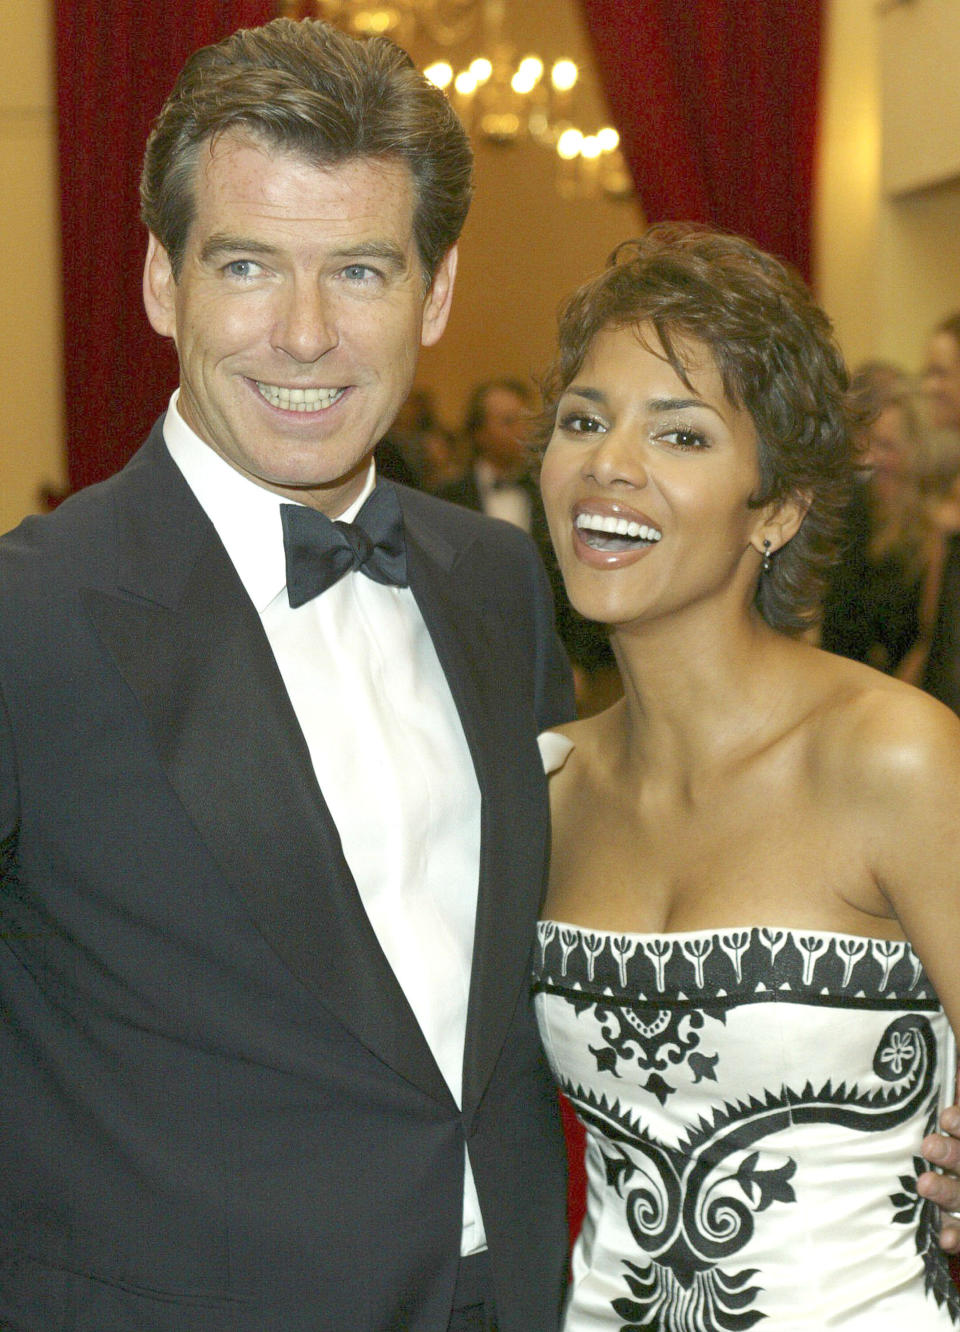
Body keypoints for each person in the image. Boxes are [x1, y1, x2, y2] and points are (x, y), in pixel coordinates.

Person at [0, 17, 574, 1332]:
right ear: (163, 283)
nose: (305, 334)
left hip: (519, 1295)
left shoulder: (495, 579)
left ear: (433, 294)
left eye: (361, 272)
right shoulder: (26, 619)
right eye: (248, 265)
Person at [531, 224, 960, 1328]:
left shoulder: (891, 758)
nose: (608, 464)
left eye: (680, 435)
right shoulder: (545, 788)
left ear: (778, 509)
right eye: (584, 421)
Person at [820, 361, 936, 674]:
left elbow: (926, 640)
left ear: (914, 452)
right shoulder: (852, 518)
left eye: (887, 447)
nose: (873, 459)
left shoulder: (930, 534)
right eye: (867, 444)